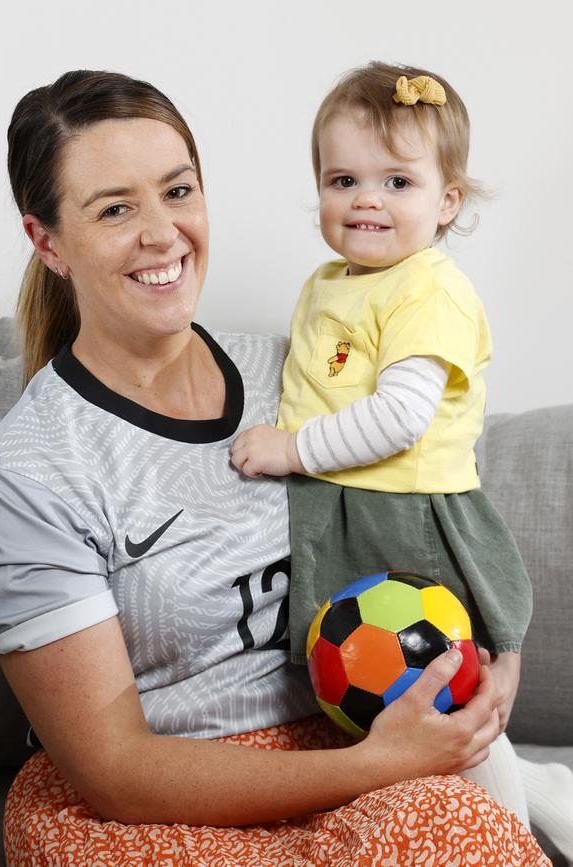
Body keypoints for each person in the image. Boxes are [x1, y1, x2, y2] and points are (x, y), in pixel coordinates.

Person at [0, 69, 548, 866]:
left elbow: (429, 495)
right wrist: (376, 765)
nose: (162, 232)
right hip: (154, 801)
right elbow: (116, 772)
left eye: (178, 190)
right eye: (116, 208)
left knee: (457, 826)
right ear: (48, 240)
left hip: (346, 743)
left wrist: (494, 657)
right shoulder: (33, 469)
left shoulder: (296, 370)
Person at [231, 60, 573, 858]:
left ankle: (513, 834)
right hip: (341, 519)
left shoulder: (429, 290)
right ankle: (534, 796)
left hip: (409, 519)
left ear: (447, 201)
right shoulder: (327, 282)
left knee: (446, 705)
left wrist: (290, 448)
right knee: (373, 708)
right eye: (343, 178)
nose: (367, 199)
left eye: (398, 181)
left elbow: (398, 417)